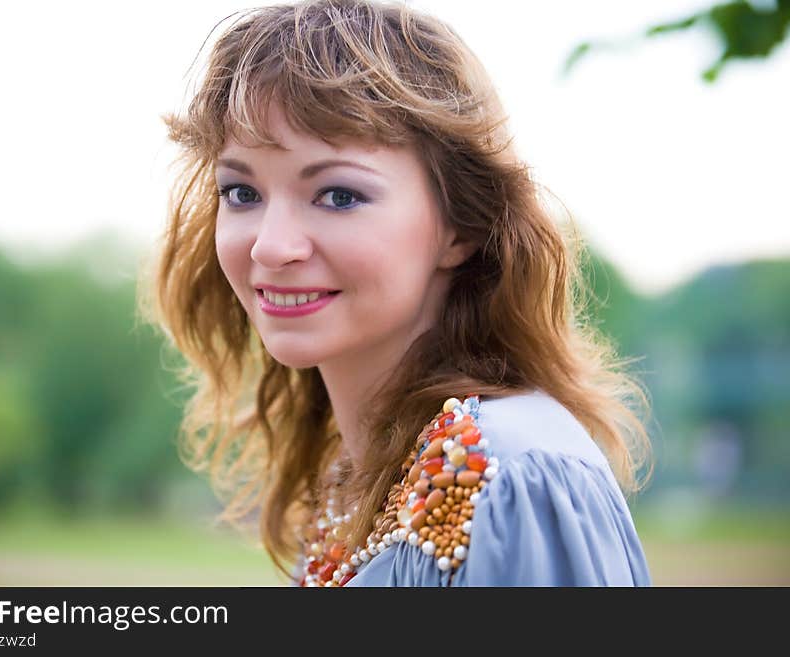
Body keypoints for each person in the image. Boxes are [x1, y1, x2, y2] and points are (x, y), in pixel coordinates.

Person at [144, 0, 654, 586]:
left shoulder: (511, 474)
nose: (269, 246)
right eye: (240, 192)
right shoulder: (356, 477)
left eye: (338, 196)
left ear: (460, 226)